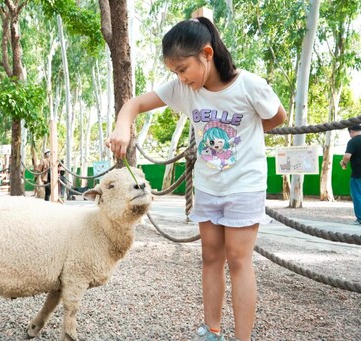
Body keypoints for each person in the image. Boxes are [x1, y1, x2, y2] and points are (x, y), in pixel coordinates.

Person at [105, 17, 286, 341]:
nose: (179, 77)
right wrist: (122, 125)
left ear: (207, 53)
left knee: (239, 260)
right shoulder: (183, 89)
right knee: (211, 257)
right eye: (174, 71)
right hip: (208, 185)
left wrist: (243, 139)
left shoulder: (249, 85)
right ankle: (211, 331)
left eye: (183, 68)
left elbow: (277, 116)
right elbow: (134, 104)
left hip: (245, 184)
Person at [340, 124, 361, 225]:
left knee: (358, 195)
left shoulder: (353, 141)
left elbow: (347, 156)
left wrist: (343, 163)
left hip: (358, 174)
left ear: (351, 131)